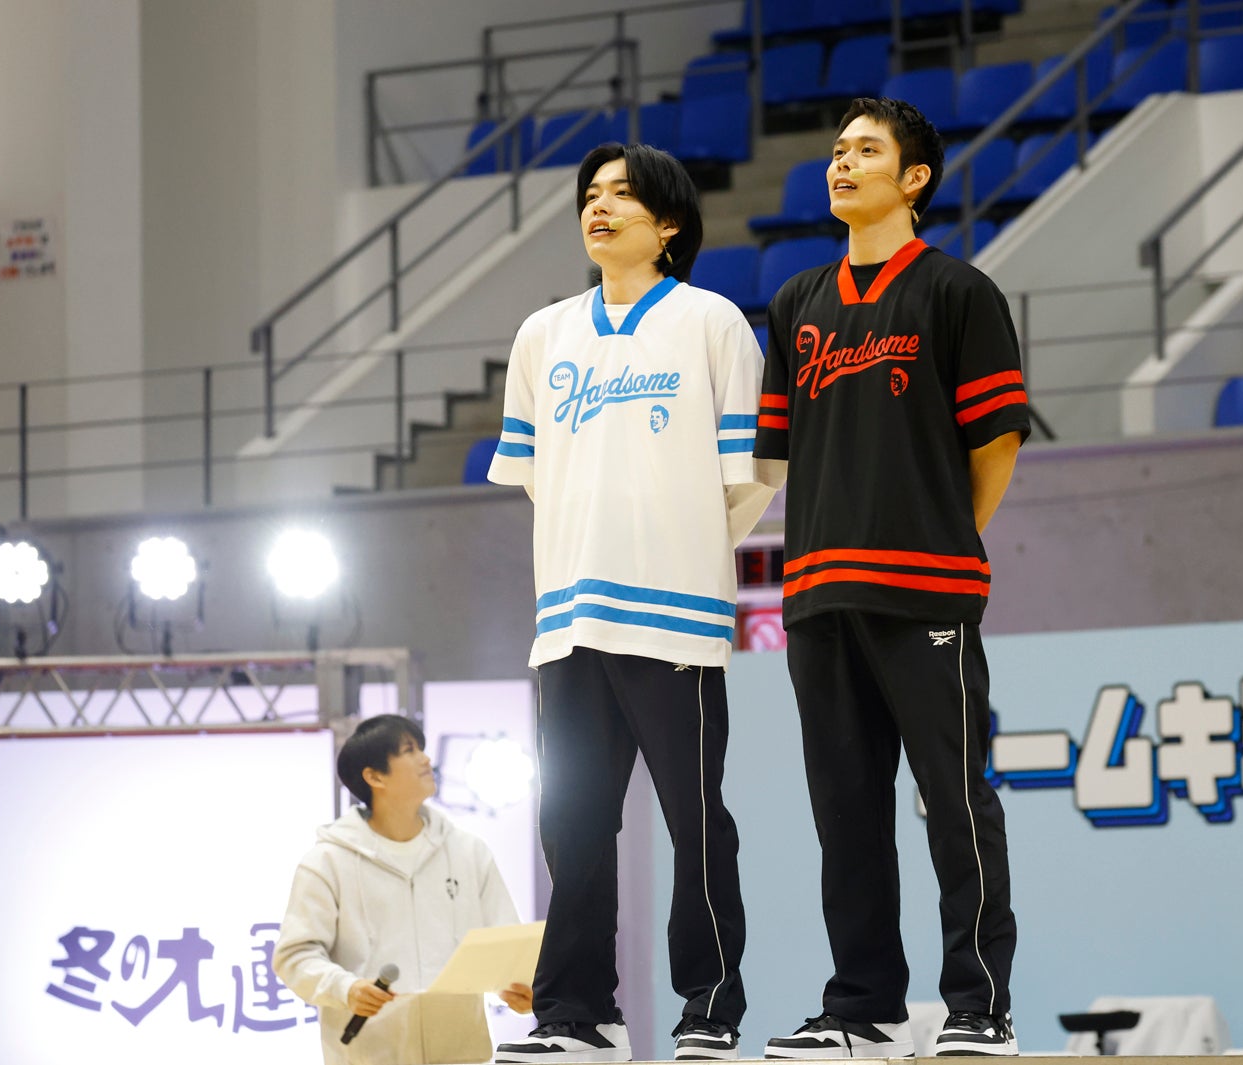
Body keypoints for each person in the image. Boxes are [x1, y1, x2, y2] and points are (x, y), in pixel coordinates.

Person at [754, 97, 1030, 1059]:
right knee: (847, 814)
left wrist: (941, 535)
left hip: (927, 592)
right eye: (837, 150)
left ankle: (980, 1006)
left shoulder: (960, 293)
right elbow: (778, 454)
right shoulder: (795, 302)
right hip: (816, 595)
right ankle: (864, 1009)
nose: (842, 163)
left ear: (914, 178)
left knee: (955, 803)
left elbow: (996, 443)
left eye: (866, 150)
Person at [487, 142, 773, 1063]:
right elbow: (539, 476)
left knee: (697, 824)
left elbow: (747, 478)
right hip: (568, 618)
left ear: (670, 223)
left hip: (676, 615)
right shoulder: (542, 336)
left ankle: (710, 1008)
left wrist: (674, 547)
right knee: (572, 828)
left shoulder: (713, 323)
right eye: (591, 194)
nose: (598, 207)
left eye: (622, 194)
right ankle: (578, 1014)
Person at [273, 714, 531, 1065]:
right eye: (409, 750)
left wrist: (515, 986)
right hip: (369, 1055)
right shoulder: (327, 861)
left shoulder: (468, 851)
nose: (426, 759)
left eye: (421, 749)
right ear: (374, 776)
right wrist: (345, 988)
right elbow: (295, 956)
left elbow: (505, 943)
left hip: (462, 1054)